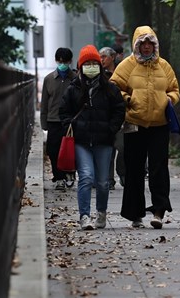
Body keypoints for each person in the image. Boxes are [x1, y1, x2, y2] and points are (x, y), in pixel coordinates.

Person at [110, 25, 180, 229]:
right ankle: (135, 214)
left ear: (155, 45)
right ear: (136, 45)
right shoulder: (126, 66)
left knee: (159, 168)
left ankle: (159, 211)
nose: (147, 47)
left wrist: (169, 99)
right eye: (142, 43)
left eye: (150, 43)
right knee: (134, 169)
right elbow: (114, 87)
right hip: (135, 123)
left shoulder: (164, 66)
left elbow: (175, 89)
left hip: (160, 124)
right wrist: (127, 98)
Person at [59, 45, 125, 230]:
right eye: (86, 63)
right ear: (80, 66)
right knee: (86, 177)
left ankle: (101, 213)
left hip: (103, 141)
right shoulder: (73, 89)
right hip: (81, 141)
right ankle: (84, 216)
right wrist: (71, 126)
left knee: (103, 182)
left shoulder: (110, 88)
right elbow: (63, 111)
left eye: (93, 63)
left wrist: (111, 128)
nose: (90, 66)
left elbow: (119, 109)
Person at [40, 48, 77, 190]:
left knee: (70, 150)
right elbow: (44, 102)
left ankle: (70, 173)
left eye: (65, 61)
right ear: (56, 60)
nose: (62, 63)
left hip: (70, 120)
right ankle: (59, 177)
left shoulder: (75, 78)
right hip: (53, 119)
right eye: (60, 61)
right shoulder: (49, 79)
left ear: (70, 61)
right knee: (53, 150)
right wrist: (44, 122)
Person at [99, 46, 124, 190]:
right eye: (100, 57)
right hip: (104, 117)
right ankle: (108, 179)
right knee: (107, 150)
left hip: (121, 116)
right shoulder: (99, 74)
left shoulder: (123, 72)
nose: (101, 60)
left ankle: (122, 173)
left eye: (104, 57)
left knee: (122, 147)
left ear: (113, 57)